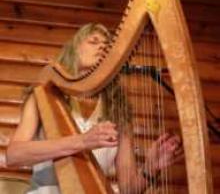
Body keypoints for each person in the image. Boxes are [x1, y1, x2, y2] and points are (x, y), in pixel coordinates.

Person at [6, 23, 182, 194]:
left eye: (106, 45)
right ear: (73, 50)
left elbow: (128, 189)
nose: (102, 47)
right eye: (93, 41)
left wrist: (150, 169)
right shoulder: (44, 96)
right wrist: (83, 141)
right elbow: (14, 156)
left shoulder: (118, 109)